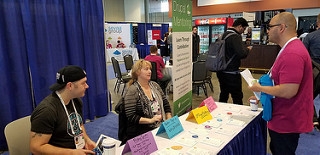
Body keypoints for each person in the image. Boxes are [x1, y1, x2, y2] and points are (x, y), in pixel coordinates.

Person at [248, 12, 314, 155]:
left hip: (287, 119)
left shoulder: (292, 53)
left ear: (281, 28)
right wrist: (261, 94)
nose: (268, 31)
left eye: (270, 27)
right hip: (284, 116)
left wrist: (260, 88)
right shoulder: (289, 49)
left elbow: (288, 90)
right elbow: (277, 81)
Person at [30, 65, 96, 154]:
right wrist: (71, 153)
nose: (87, 86)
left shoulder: (75, 100)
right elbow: (36, 148)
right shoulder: (47, 111)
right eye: (83, 83)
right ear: (70, 86)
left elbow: (78, 124)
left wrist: (87, 140)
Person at [123, 59, 172, 144]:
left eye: (150, 69)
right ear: (138, 72)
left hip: (160, 126)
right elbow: (131, 116)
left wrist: (169, 119)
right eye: (146, 69)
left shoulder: (155, 85)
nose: (149, 71)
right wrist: (150, 120)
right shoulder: (132, 90)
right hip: (142, 130)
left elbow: (166, 104)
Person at [216, 17, 252, 105]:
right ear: (240, 26)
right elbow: (242, 54)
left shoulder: (222, 35)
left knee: (223, 94)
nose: (243, 31)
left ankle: (220, 113)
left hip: (220, 70)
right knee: (237, 96)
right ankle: (239, 114)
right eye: (243, 29)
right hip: (231, 72)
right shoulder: (235, 37)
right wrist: (248, 49)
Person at [303, 13, 320, 129]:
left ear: (318, 22)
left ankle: (313, 119)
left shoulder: (310, 36)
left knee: (309, 95)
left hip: (315, 70)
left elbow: (303, 54)